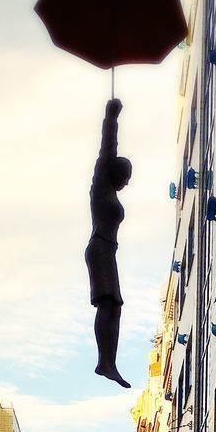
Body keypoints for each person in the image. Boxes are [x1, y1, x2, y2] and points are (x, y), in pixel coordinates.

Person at [85, 98, 132, 389]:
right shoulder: (101, 185)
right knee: (108, 304)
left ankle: (109, 362)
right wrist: (111, 116)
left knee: (115, 306)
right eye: (126, 177)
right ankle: (104, 362)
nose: (127, 182)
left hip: (107, 251)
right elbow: (107, 148)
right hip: (99, 247)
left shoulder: (112, 195)